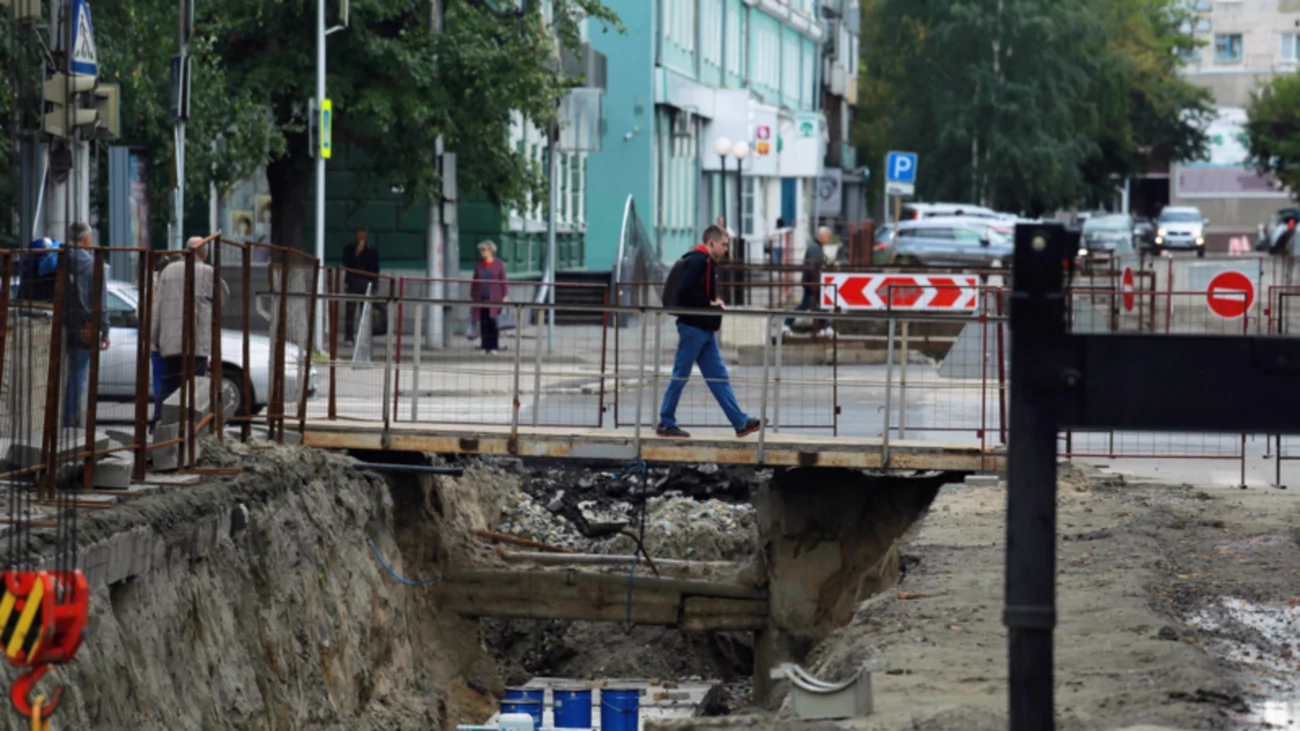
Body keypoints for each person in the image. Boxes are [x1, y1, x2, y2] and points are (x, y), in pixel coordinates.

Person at [656, 225, 762, 439]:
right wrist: (709, 303)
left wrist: (711, 303)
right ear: (711, 242)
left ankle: (740, 422)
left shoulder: (706, 262)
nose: (726, 249)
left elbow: (695, 292)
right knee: (681, 374)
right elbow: (685, 292)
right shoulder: (699, 261)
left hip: (703, 327)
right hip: (693, 327)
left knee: (719, 376)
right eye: (723, 244)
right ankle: (666, 421)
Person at [151, 238, 229, 414]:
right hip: (197, 343)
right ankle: (189, 426)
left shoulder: (168, 271)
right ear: (205, 253)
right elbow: (223, 298)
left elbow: (158, 307)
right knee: (194, 387)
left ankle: (158, 423)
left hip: (170, 342)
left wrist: (155, 338)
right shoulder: (208, 272)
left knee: (168, 386)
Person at [62, 223, 110, 428]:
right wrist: (105, 330)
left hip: (59, 323)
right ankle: (69, 422)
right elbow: (102, 300)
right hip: (85, 326)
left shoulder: (59, 258)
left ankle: (50, 422)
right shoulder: (93, 264)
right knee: (77, 376)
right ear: (86, 239)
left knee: (51, 375)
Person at [783, 226, 832, 338]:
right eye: (828, 237)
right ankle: (787, 323)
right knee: (808, 305)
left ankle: (824, 327)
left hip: (813, 282)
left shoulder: (816, 247)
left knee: (820, 304)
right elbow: (811, 267)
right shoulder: (815, 248)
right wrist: (815, 283)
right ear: (823, 236)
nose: (828, 239)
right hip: (812, 283)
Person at [470, 241, 509, 354]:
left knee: (493, 323)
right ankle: (484, 346)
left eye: (484, 250)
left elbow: (504, 280)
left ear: (491, 251)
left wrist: (505, 295)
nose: (482, 252)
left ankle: (493, 346)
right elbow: (474, 281)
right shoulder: (479, 265)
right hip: (481, 299)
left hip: (495, 299)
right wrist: (473, 295)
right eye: (481, 250)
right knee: (483, 323)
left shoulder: (499, 264)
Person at [343, 228, 380, 343]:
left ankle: (365, 337)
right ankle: (349, 337)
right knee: (350, 311)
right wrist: (357, 252)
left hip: (365, 283)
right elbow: (347, 263)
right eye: (358, 235)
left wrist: (374, 286)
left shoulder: (371, 251)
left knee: (366, 312)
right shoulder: (349, 249)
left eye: (362, 235)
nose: (360, 237)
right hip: (353, 283)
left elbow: (374, 268)